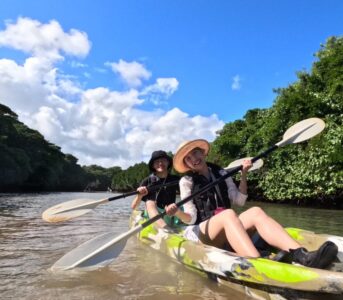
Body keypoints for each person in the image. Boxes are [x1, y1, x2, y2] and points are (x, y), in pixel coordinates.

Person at [165, 139, 338, 269]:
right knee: (228, 215)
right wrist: (177, 212)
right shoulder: (186, 181)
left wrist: (244, 175)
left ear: (203, 153)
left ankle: (302, 255)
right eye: (188, 159)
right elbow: (191, 218)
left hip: (226, 223)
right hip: (201, 231)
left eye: (195, 153)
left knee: (254, 211)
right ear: (186, 164)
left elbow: (239, 200)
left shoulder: (221, 173)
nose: (193, 159)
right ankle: (259, 265)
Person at [131, 150, 180, 229]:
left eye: (163, 160)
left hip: (169, 212)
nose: (160, 163)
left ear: (168, 163)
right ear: (153, 165)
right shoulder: (147, 181)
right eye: (157, 161)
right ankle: (166, 229)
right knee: (150, 202)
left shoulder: (176, 180)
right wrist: (139, 196)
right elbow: (134, 207)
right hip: (151, 215)